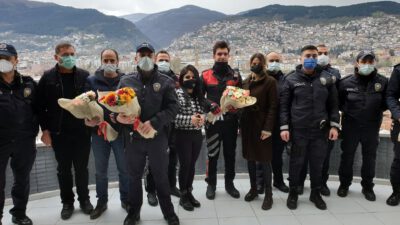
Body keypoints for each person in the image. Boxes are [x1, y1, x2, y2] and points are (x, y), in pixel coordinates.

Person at [117, 43, 180, 225]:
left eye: (148, 54)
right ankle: (134, 212)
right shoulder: (126, 81)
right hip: (133, 138)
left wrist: (154, 122)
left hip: (157, 137)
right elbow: (115, 107)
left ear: (154, 58)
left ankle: (168, 213)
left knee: (161, 175)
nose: (145, 57)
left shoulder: (166, 81)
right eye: (141, 54)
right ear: (135, 58)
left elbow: (173, 107)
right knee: (134, 177)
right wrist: (118, 118)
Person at [36, 42, 93, 220]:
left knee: (82, 169)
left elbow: (92, 101)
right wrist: (45, 130)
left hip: (82, 132)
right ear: (56, 57)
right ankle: (67, 203)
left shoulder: (84, 76)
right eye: (65, 54)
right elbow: (40, 107)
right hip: (59, 133)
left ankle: (85, 200)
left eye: (71, 54)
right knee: (63, 170)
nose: (69, 57)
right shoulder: (48, 78)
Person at [280, 45, 340, 210]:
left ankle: (315, 193)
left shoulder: (327, 78)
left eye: (314, 56)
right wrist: (284, 128)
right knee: (295, 163)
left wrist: (334, 126)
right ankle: (293, 193)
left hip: (320, 131)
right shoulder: (290, 79)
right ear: (300, 58)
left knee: (317, 164)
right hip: (298, 131)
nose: (312, 59)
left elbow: (334, 105)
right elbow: (284, 106)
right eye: (308, 55)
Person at [84, 49, 129, 219]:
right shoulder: (91, 80)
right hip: (99, 133)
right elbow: (85, 104)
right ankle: (101, 202)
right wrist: (86, 120)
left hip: (120, 132)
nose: (109, 63)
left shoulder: (125, 80)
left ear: (118, 61)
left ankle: (126, 199)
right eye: (105, 59)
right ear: (101, 60)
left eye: (112, 60)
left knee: (124, 169)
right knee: (100, 171)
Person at [337, 51, 387, 201]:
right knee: (347, 157)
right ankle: (344, 185)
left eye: (370, 62)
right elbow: (338, 103)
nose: (367, 65)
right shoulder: (346, 82)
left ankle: (367, 187)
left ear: (374, 63)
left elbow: (386, 102)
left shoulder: (383, 82)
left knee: (370, 158)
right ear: (357, 63)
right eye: (364, 62)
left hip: (371, 127)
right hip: (350, 126)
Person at [0, 43, 38, 225]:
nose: (3, 62)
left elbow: (40, 110)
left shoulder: (29, 83)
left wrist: (45, 131)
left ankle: (19, 214)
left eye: (6, 58)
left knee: (22, 180)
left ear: (16, 60)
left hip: (24, 140)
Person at [298, 44, 342, 196]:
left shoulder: (333, 75)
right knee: (301, 157)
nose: (320, 56)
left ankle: (321, 184)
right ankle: (299, 183)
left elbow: (334, 103)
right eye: (318, 53)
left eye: (324, 53)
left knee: (323, 158)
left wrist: (334, 125)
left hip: (324, 125)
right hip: (304, 124)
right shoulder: (297, 76)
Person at [201, 41, 242, 200]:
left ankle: (229, 184)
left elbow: (241, 98)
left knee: (230, 154)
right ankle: (211, 184)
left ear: (228, 56)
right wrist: (210, 105)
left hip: (231, 123)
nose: (222, 56)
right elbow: (199, 97)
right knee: (212, 154)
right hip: (213, 122)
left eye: (225, 54)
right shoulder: (205, 75)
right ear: (214, 55)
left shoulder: (236, 75)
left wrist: (236, 108)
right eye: (219, 54)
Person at [241, 53, 278, 210]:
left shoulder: (270, 82)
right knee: (250, 158)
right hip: (247, 125)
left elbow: (273, 107)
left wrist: (268, 128)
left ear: (264, 65)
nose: (255, 65)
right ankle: (254, 189)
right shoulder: (246, 82)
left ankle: (269, 195)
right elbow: (241, 102)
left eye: (259, 63)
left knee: (264, 160)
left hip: (262, 125)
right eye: (253, 62)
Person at [145, 50, 180, 207]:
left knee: (173, 158)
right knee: (153, 161)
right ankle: (151, 191)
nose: (164, 62)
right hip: (157, 126)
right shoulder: (151, 79)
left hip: (174, 126)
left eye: (166, 59)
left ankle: (172, 185)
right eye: (161, 59)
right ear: (155, 61)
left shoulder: (177, 80)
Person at [256, 51, 290, 194]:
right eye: (271, 60)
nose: (274, 63)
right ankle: (260, 183)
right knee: (260, 156)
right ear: (265, 63)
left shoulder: (286, 81)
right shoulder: (258, 79)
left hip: (278, 125)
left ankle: (278, 181)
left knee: (277, 156)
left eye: (277, 60)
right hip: (262, 124)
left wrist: (285, 126)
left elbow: (285, 105)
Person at [174, 65, 205, 211]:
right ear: (181, 79)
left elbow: (202, 112)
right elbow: (173, 117)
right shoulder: (177, 94)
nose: (191, 80)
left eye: (193, 77)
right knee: (185, 165)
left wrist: (202, 118)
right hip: (183, 135)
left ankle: (189, 192)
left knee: (192, 165)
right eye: (187, 77)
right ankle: (183, 195)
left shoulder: (199, 95)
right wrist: (190, 119)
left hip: (197, 135)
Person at [386, 62, 400, 206]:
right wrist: (398, 114)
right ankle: (396, 192)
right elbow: (391, 96)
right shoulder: (399, 70)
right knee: (399, 160)